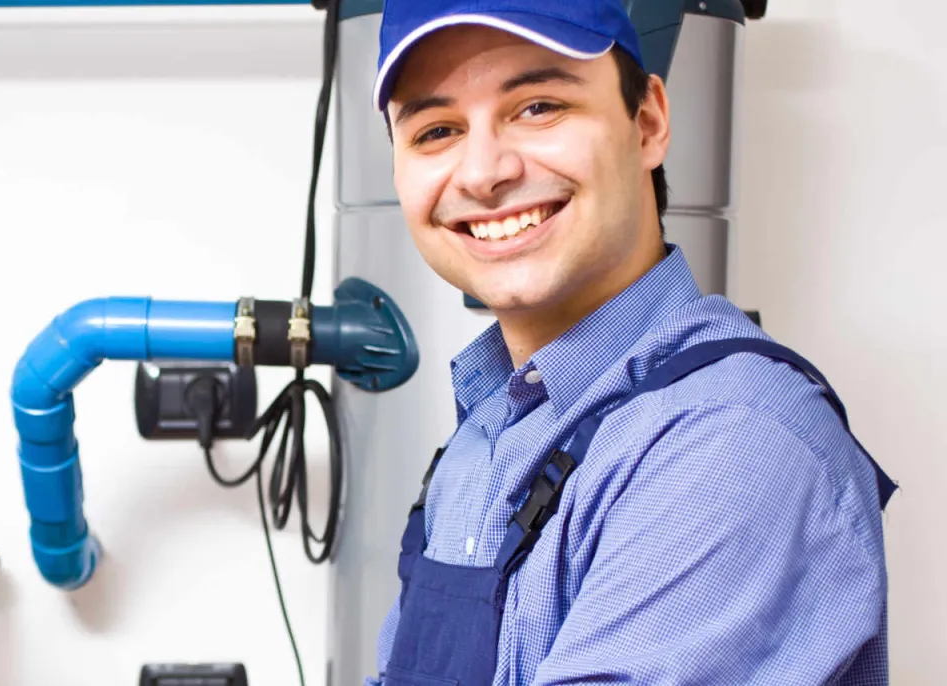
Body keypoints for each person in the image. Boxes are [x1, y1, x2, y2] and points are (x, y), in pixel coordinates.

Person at [365, 1, 896, 685]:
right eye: (437, 130)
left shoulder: (729, 442)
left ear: (647, 123)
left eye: (538, 107)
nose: (482, 173)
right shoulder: (487, 436)